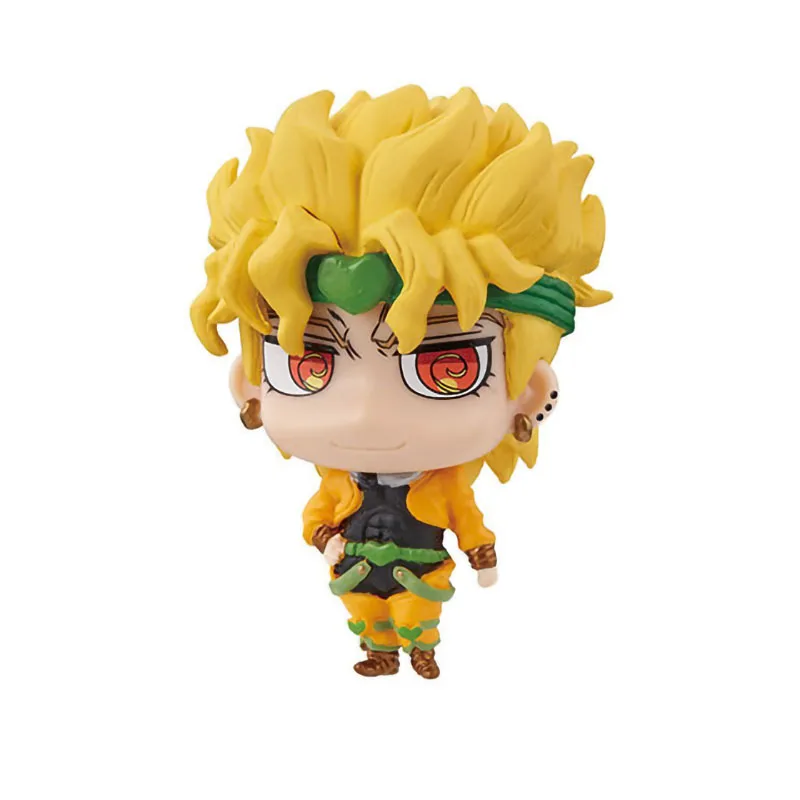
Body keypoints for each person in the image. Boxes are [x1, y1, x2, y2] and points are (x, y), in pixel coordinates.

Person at [191, 86, 610, 678]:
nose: (366, 413)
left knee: (419, 613)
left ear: (531, 391)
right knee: (363, 612)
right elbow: (316, 518)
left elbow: (468, 520)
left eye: (445, 367)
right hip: (358, 576)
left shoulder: (445, 488)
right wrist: (327, 540)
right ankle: (379, 649)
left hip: (422, 575)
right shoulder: (339, 486)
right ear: (249, 386)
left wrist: (482, 553)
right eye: (310, 364)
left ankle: (420, 647)